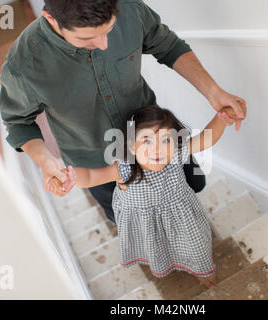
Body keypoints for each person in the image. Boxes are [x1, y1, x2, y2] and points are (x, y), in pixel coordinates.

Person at [0, 0, 247, 224]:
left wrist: (214, 92)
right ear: (51, 20)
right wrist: (46, 161)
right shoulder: (24, 65)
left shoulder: (129, 8)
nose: (104, 44)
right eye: (88, 39)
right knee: (133, 221)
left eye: (109, 30)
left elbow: (168, 45)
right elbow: (18, 123)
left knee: (191, 189)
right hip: (97, 162)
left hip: (160, 140)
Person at [48, 105, 235, 288]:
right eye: (147, 140)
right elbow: (90, 176)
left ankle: (203, 271)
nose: (157, 149)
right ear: (131, 146)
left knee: (196, 247)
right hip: (146, 226)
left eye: (166, 140)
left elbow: (205, 140)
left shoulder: (176, 154)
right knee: (159, 249)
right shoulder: (124, 169)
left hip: (182, 220)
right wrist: (68, 176)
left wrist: (220, 120)